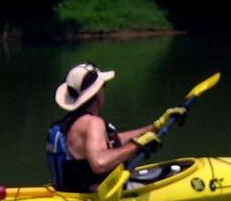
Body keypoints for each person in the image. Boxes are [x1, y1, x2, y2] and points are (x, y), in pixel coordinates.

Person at [47, 62, 185, 193]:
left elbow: (113, 140)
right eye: (103, 86)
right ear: (97, 93)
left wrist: (155, 126)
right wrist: (136, 147)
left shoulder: (74, 122)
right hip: (99, 195)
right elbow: (99, 163)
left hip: (76, 192)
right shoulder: (93, 123)